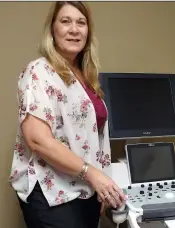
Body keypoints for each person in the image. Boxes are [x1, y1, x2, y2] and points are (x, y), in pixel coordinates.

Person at [9, 1, 126, 228]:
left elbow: (93, 140)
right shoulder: (38, 72)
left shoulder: (87, 78)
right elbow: (37, 139)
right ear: (52, 30)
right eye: (65, 21)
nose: (74, 29)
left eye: (81, 23)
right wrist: (93, 175)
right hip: (52, 193)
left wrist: (102, 183)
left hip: (86, 189)